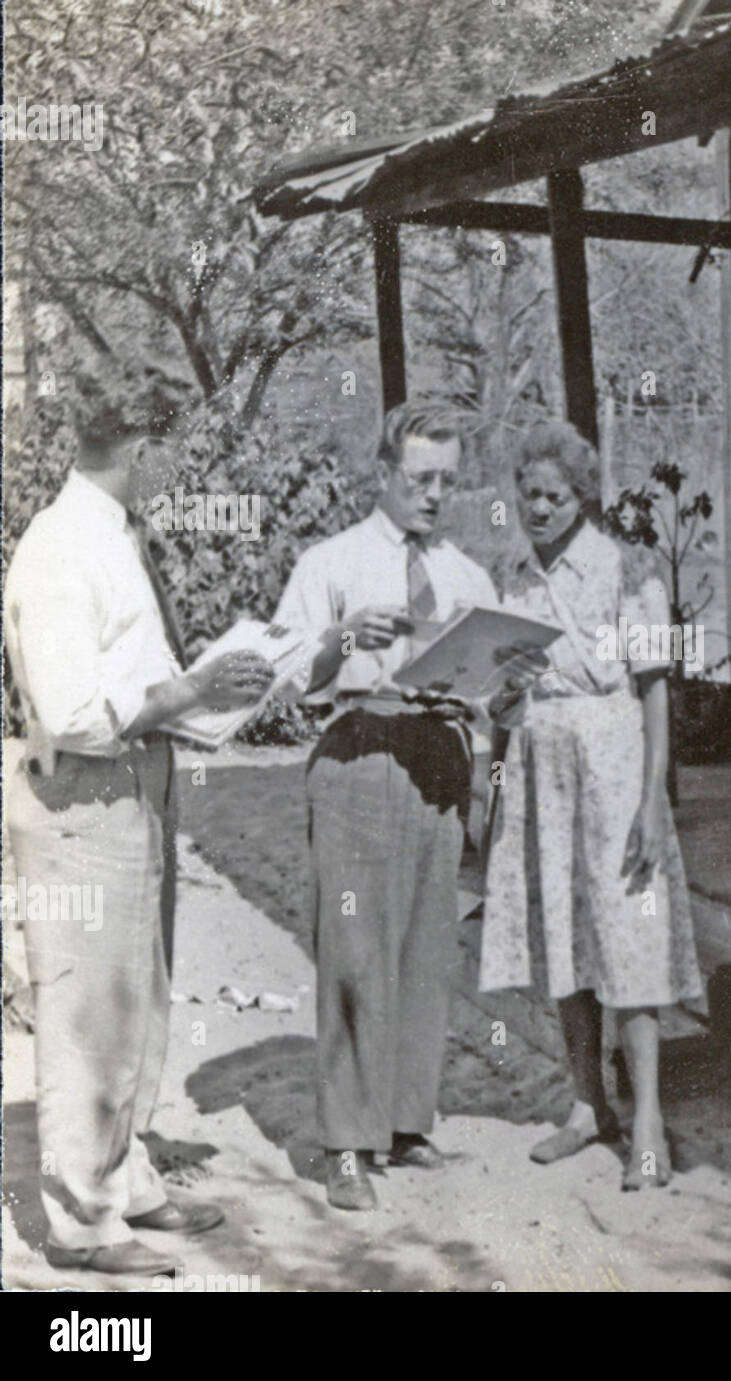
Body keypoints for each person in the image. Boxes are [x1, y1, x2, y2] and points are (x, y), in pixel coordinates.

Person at [5, 361, 276, 1276]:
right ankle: (82, 1223)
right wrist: (194, 687)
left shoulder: (119, 536)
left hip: (135, 789)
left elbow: (149, 683)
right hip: (82, 797)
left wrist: (236, 687)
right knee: (88, 1011)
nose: (176, 472)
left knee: (141, 1000)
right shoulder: (56, 548)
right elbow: (75, 707)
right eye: (172, 453)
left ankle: (128, 1178)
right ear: (141, 447)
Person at [273, 401, 498, 1211]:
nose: (434, 496)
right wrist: (341, 637)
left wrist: (509, 678)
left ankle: (404, 1122)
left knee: (425, 946)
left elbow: (490, 685)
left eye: (447, 481)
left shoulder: (468, 574)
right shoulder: (330, 562)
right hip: (360, 750)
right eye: (419, 480)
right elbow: (287, 675)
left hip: (440, 754)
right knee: (356, 949)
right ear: (383, 475)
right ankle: (344, 1142)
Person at [479, 419, 703, 1190]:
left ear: (582, 498)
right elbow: (502, 701)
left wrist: (651, 799)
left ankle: (647, 1120)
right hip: (540, 758)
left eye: (555, 496)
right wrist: (501, 705)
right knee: (563, 935)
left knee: (628, 935)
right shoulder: (511, 574)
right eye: (529, 494)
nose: (539, 508)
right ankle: (587, 1103)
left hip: (612, 763)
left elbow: (655, 690)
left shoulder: (624, 569)